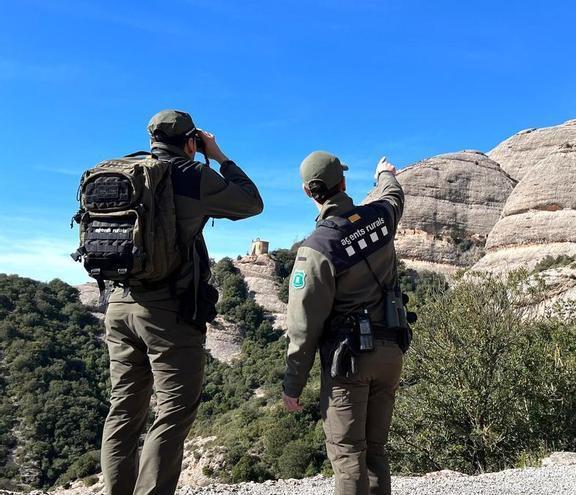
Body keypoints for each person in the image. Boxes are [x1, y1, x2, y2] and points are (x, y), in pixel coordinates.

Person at [100, 110, 263, 495]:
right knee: (172, 413)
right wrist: (218, 155)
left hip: (118, 304)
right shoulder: (192, 174)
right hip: (167, 312)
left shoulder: (124, 170)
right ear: (191, 142)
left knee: (123, 410)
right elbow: (251, 202)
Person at [282, 151, 406, 495]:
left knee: (349, 455)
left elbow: (303, 326)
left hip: (350, 362)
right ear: (344, 183)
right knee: (376, 451)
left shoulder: (316, 248)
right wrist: (384, 174)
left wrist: (293, 384)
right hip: (391, 352)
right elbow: (394, 195)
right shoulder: (380, 217)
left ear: (308, 192)